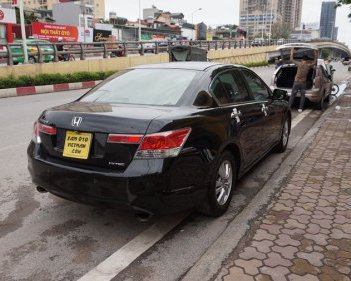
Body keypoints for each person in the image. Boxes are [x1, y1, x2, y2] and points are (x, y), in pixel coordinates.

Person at [289, 48, 317, 112]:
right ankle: (300, 108)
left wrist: (292, 52)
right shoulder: (308, 65)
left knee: (292, 95)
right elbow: (315, 62)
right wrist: (315, 54)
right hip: (303, 83)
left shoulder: (299, 64)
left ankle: (289, 107)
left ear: (302, 59)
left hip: (296, 82)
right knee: (302, 96)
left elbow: (291, 59)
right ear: (307, 60)